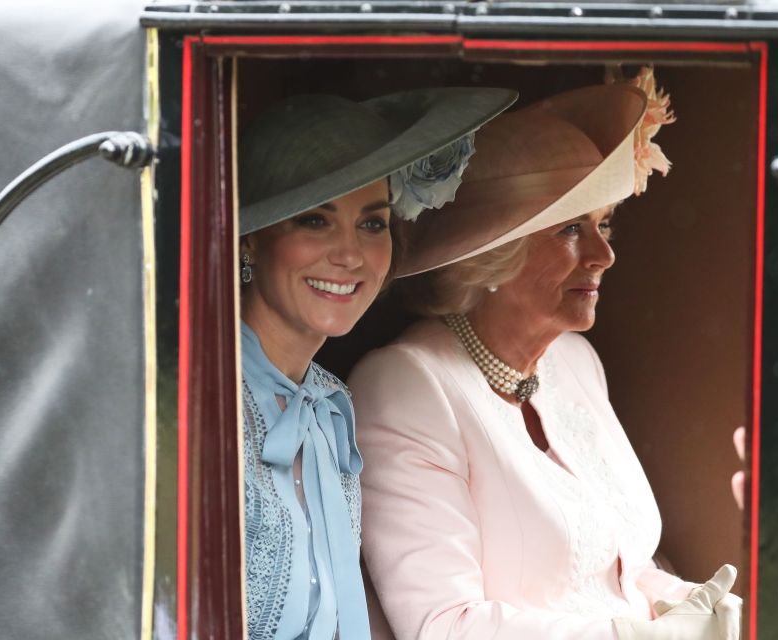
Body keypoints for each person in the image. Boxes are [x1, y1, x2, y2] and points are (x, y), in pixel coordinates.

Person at [348, 71, 742, 639]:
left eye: (603, 224)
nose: (604, 254)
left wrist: (690, 605)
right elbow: (443, 626)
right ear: (490, 258)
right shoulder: (405, 385)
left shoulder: (575, 360)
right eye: (569, 231)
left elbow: (616, 566)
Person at [238, 86, 517, 640]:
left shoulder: (329, 402)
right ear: (251, 240)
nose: (350, 254)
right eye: (315, 221)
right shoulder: (196, 401)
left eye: (372, 223)